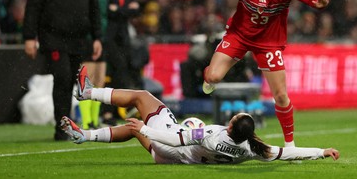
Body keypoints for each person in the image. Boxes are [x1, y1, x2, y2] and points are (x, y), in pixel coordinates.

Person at [163, 0, 331, 147]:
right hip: (239, 36)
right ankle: (209, 72)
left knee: (281, 95)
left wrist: (316, 3)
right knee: (213, 77)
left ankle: (290, 145)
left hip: (268, 44)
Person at [60, 65, 340, 164]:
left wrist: (146, 130)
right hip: (171, 160)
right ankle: (83, 135)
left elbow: (175, 138)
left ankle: (88, 93)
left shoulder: (209, 134)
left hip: (169, 148)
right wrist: (320, 151)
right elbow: (285, 153)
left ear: (231, 124)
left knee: (142, 98)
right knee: (135, 127)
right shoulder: (252, 150)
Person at [23, 0, 102, 141]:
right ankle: (62, 128)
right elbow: (33, 7)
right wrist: (29, 37)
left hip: (78, 40)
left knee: (72, 82)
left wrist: (97, 37)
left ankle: (67, 125)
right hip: (54, 38)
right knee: (63, 78)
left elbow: (94, 9)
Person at [101, 0, 141, 126]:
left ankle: (114, 112)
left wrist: (119, 10)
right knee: (112, 74)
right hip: (109, 37)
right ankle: (108, 112)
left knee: (120, 75)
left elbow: (136, 11)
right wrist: (126, 10)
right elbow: (109, 11)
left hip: (123, 37)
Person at [79, 0, 112, 130]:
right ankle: (86, 122)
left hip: (102, 37)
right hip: (89, 39)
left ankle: (94, 120)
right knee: (88, 80)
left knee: (99, 80)